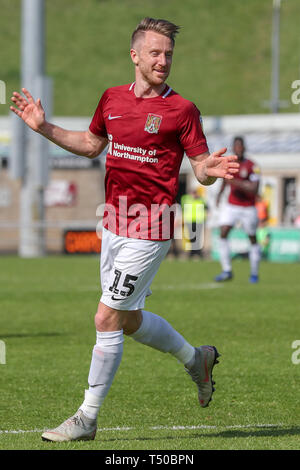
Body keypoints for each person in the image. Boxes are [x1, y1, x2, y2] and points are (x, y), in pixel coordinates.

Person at [10, 17, 239, 442]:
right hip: (114, 222)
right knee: (128, 320)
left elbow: (201, 167)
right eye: (155, 52)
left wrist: (210, 169)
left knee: (106, 316)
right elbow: (91, 144)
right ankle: (196, 359)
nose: (163, 60)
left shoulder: (182, 110)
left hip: (152, 226)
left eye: (168, 54)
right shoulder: (111, 99)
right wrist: (43, 127)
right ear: (135, 56)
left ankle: (86, 418)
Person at [214, 136, 261, 283]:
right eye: (236, 146)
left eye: (240, 146)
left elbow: (254, 189)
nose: (238, 149)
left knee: (252, 238)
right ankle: (227, 270)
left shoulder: (253, 166)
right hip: (232, 205)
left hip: (248, 207)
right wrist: (219, 195)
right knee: (223, 232)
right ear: (233, 148)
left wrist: (234, 182)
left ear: (244, 148)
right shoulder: (230, 164)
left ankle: (254, 273)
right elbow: (224, 180)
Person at [181, 188, 206, 258]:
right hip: (189, 220)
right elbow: (183, 205)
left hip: (199, 221)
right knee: (192, 237)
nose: (194, 194)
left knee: (198, 237)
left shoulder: (200, 199)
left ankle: (198, 252)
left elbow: (205, 206)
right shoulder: (186, 198)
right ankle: (192, 252)